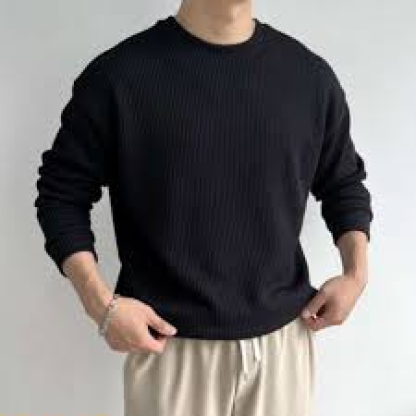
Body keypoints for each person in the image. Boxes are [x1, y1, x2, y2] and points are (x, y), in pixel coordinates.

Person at [34, 1, 374, 415]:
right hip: (170, 348)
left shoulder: (310, 79)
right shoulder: (118, 77)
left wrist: (356, 274)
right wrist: (100, 305)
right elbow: (61, 195)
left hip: (284, 344)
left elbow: (343, 184)